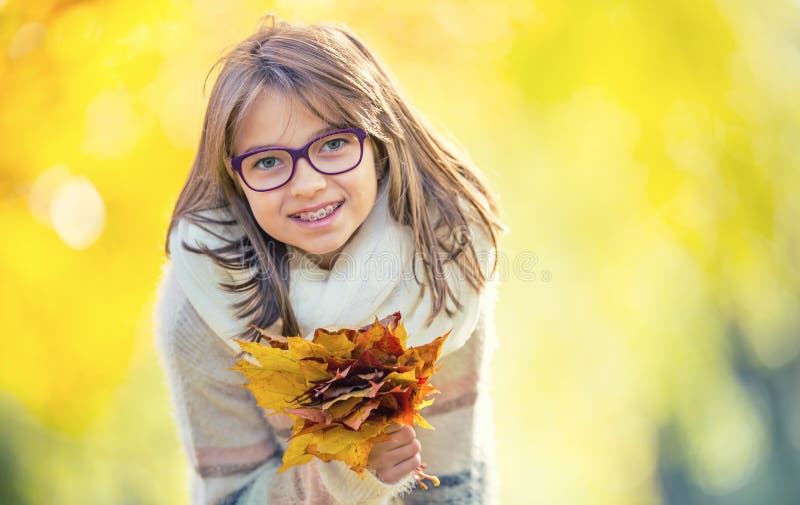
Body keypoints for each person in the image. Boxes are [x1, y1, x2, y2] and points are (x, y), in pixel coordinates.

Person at [152, 15, 504, 505]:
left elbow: (458, 485)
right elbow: (229, 497)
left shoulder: (443, 267)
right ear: (235, 180)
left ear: (379, 140)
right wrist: (349, 473)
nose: (308, 184)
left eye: (334, 144)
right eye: (268, 161)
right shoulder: (207, 301)